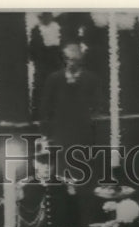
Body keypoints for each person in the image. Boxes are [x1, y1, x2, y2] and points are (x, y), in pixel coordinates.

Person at [37, 42, 103, 175]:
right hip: (60, 133)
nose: (71, 63)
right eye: (68, 59)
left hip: (83, 132)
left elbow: (98, 104)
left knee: (83, 169)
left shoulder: (91, 79)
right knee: (61, 169)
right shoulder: (54, 79)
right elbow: (45, 107)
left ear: (81, 60)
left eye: (76, 60)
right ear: (64, 59)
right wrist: (46, 132)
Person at [18, 145, 83, 227]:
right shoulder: (23, 187)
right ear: (34, 163)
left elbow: (75, 221)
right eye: (42, 162)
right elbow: (18, 224)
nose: (47, 166)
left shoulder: (65, 186)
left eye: (50, 162)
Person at [29, 13, 63, 123]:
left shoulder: (58, 28)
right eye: (42, 16)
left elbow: (62, 46)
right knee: (41, 88)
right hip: (42, 64)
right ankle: (40, 115)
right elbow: (32, 49)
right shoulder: (36, 30)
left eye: (47, 15)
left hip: (56, 63)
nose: (45, 18)